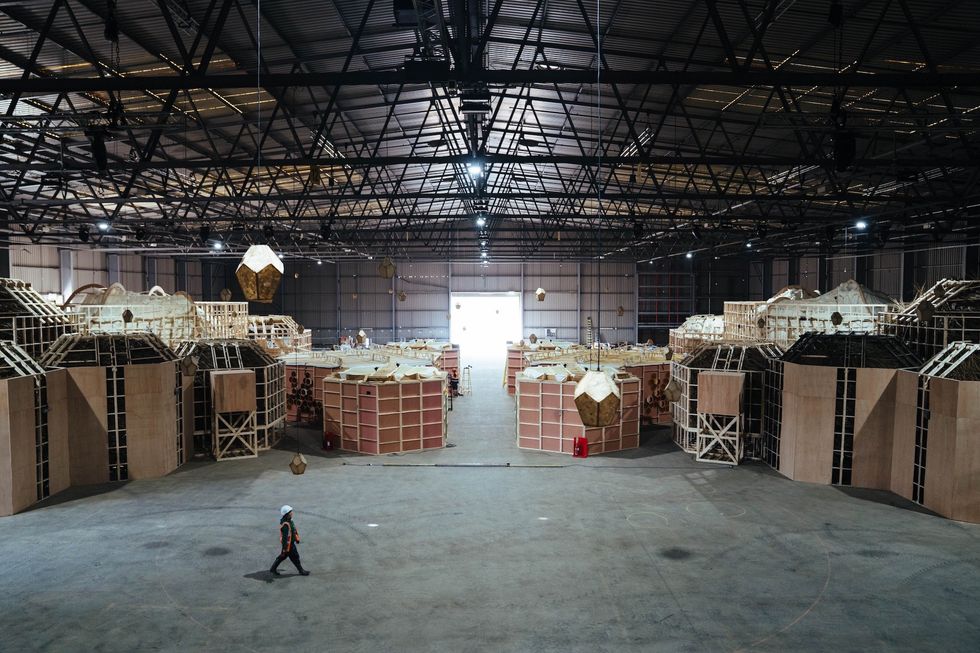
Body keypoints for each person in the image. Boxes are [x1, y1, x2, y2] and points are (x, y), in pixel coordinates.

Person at [269, 505, 310, 576]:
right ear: (287, 514)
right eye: (290, 512)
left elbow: (293, 531)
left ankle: (273, 569)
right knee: (295, 557)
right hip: (289, 545)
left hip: (289, 544)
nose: (292, 513)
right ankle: (301, 571)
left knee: (283, 556)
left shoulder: (289, 520)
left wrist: (296, 539)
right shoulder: (286, 525)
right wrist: (285, 548)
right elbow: (285, 538)